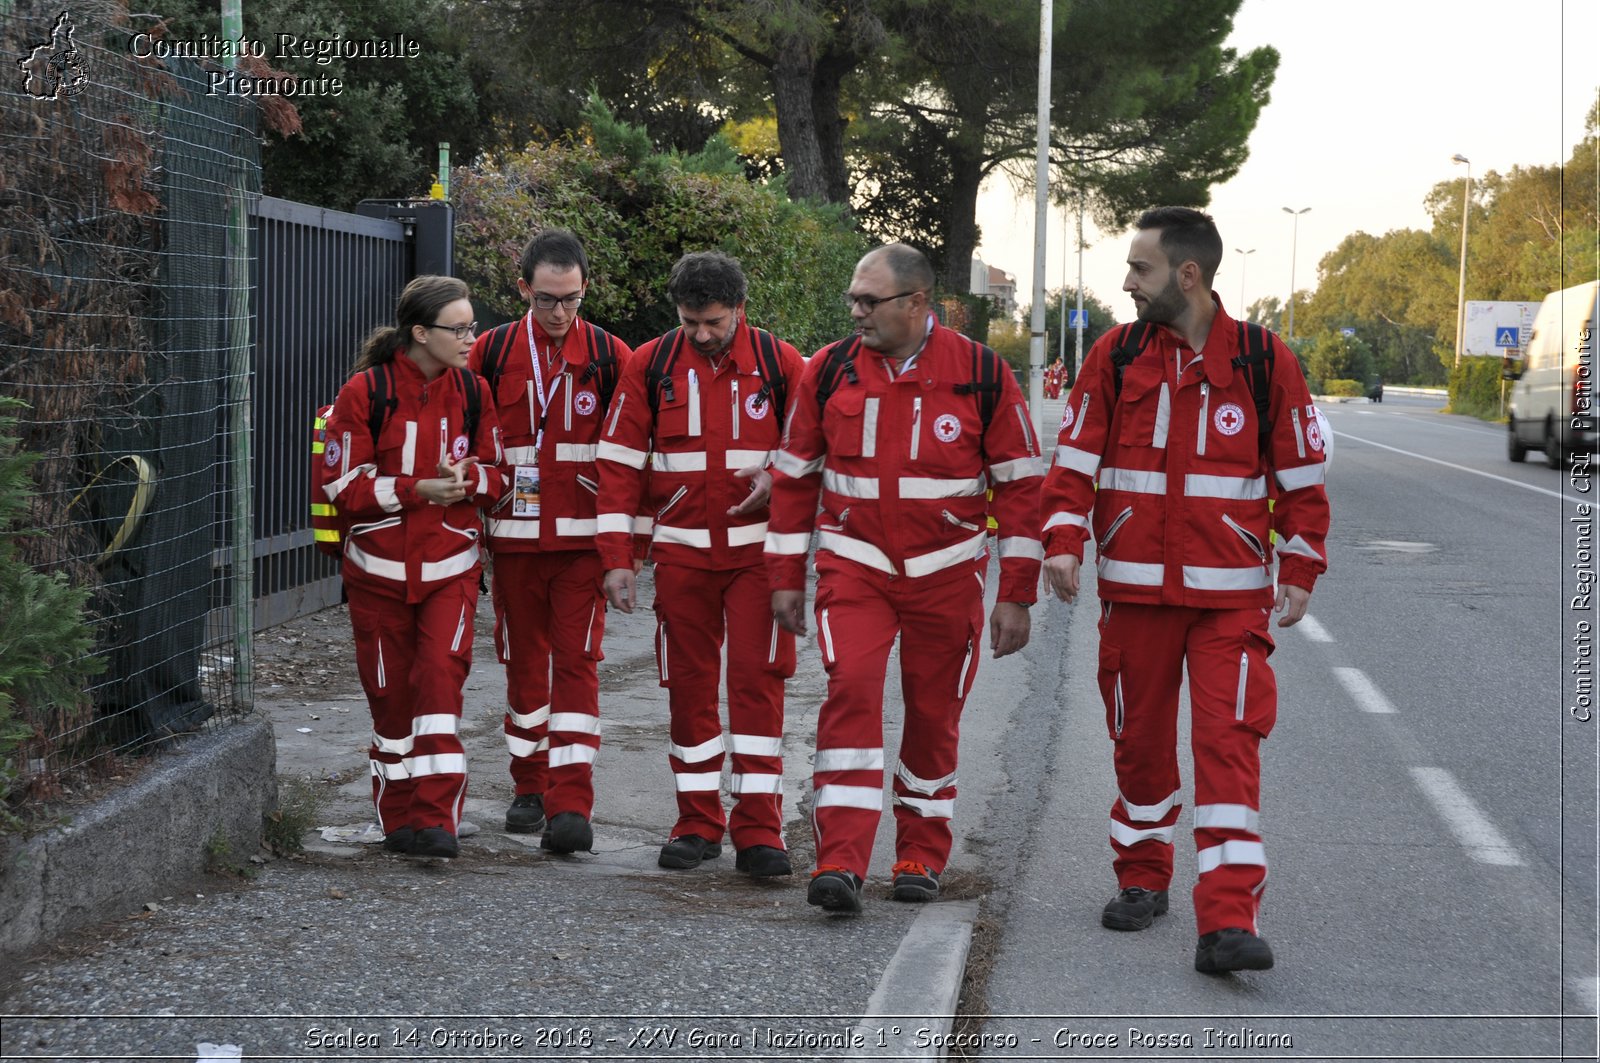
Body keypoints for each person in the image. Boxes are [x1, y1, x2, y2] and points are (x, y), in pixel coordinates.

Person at [1039, 207, 1331, 974]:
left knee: (1228, 747)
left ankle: (1229, 920)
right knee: (1139, 745)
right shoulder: (1116, 353)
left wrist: (1299, 568)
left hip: (1230, 602)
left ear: (1188, 275)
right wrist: (1062, 541)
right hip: (1134, 595)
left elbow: (1301, 481)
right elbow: (1072, 463)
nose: (1128, 281)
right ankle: (1141, 876)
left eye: (1140, 268)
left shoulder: (1267, 361)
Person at [766, 243, 1044, 912]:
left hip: (947, 579)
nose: (856, 312)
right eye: (853, 299)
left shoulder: (980, 373)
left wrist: (1015, 595)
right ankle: (839, 860)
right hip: (854, 570)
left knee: (933, 714)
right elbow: (794, 478)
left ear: (918, 303)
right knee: (851, 695)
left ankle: (919, 852)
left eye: (871, 301)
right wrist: (784, 575)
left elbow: (1021, 488)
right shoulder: (829, 371)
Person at [596, 251, 806, 878]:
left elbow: (815, 447)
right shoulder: (651, 363)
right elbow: (618, 463)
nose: (702, 335)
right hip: (682, 563)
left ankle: (760, 831)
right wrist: (619, 560)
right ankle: (695, 821)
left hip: (758, 562)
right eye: (690, 322)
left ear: (739, 309)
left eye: (713, 322)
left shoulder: (780, 363)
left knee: (757, 688)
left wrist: (778, 478)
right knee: (688, 692)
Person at [320, 275, 504, 859]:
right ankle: (395, 816)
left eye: (472, 326)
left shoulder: (474, 392)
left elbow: (499, 474)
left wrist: (470, 479)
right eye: (459, 328)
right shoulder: (364, 392)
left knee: (439, 684)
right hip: (375, 574)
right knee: (390, 697)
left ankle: (437, 819)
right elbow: (341, 486)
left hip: (451, 566)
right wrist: (418, 488)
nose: (471, 337)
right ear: (420, 333)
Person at [467, 229, 635, 855]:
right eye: (547, 299)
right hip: (511, 542)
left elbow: (629, 454)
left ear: (585, 289)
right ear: (523, 291)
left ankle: (571, 803)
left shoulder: (613, 355)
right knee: (521, 666)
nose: (560, 313)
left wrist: (625, 550)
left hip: (581, 547)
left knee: (578, 665)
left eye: (570, 299)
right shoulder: (491, 351)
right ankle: (528, 786)